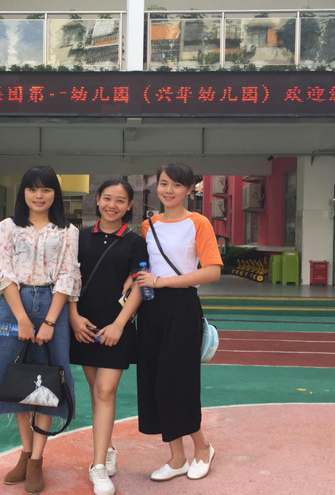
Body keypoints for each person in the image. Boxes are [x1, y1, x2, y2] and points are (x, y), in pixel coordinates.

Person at [0, 165, 81, 495]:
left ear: (55, 194)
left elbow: (67, 275)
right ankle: (25, 453)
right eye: (32, 189)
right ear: (23, 192)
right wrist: (22, 319)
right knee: (15, 377)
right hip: (15, 303)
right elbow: (3, 271)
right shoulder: (8, 227)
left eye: (46, 189)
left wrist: (50, 321)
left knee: (48, 380)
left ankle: (38, 459)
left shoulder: (67, 230)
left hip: (53, 304)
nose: (39, 196)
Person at [134, 162, 223, 483]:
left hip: (182, 307)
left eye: (176, 185)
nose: (168, 190)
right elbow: (143, 268)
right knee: (155, 382)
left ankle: (203, 448)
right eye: (163, 183)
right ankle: (176, 458)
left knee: (179, 381)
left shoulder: (198, 223)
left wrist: (162, 282)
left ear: (188, 189)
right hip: (150, 309)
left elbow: (212, 270)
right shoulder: (148, 226)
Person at [69, 179, 147, 495]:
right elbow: (69, 279)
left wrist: (119, 325)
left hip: (117, 328)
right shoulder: (79, 237)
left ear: (129, 206)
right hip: (84, 327)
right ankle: (108, 446)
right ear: (97, 199)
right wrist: (73, 317)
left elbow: (140, 285)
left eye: (120, 200)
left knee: (105, 389)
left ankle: (98, 466)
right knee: (96, 389)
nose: (112, 205)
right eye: (107, 198)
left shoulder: (135, 241)